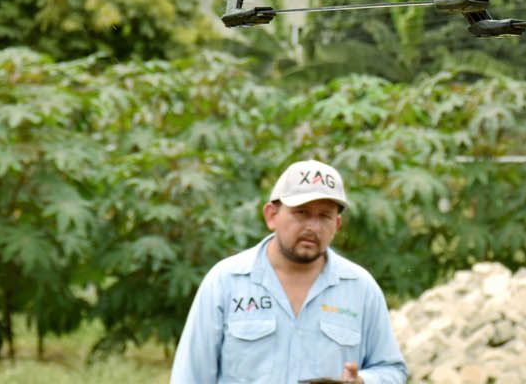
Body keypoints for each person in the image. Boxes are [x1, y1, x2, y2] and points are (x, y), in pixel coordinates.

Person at [172, 159, 407, 384]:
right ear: (272, 216)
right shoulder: (226, 282)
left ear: (336, 225)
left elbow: (392, 370)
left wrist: (363, 381)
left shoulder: (361, 289)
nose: (313, 227)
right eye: (301, 212)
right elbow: (191, 375)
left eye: (324, 216)